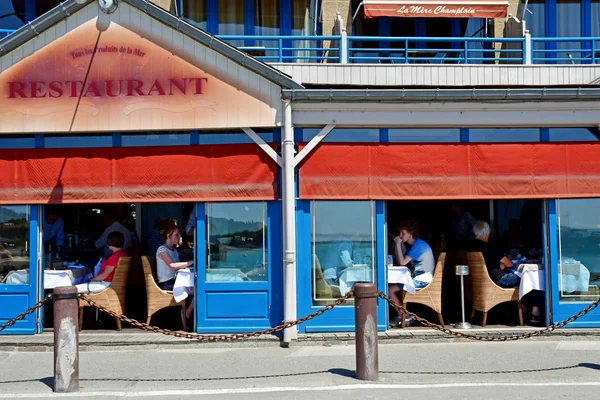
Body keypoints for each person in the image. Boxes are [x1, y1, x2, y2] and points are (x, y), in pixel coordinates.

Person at [467, 220, 543, 325]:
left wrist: (499, 263)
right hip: (499, 280)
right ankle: (535, 312)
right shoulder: (488, 247)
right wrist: (502, 263)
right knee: (530, 277)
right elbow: (510, 264)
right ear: (488, 232)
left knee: (525, 277)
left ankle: (524, 308)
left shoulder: (471, 247)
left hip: (484, 281)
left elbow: (496, 262)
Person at [388, 220, 435, 327]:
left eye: (403, 233)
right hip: (420, 277)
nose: (400, 236)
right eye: (400, 233)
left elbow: (402, 262)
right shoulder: (415, 245)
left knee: (390, 290)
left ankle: (403, 315)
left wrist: (397, 244)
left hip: (422, 280)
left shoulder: (418, 246)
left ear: (411, 233)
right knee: (392, 288)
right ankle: (403, 315)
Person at [156, 222, 194, 320]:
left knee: (197, 285)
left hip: (175, 280)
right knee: (198, 290)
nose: (179, 237)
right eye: (176, 235)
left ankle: (188, 313)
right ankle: (187, 313)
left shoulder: (174, 250)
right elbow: (172, 265)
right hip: (167, 283)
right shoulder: (162, 250)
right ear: (169, 236)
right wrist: (190, 262)